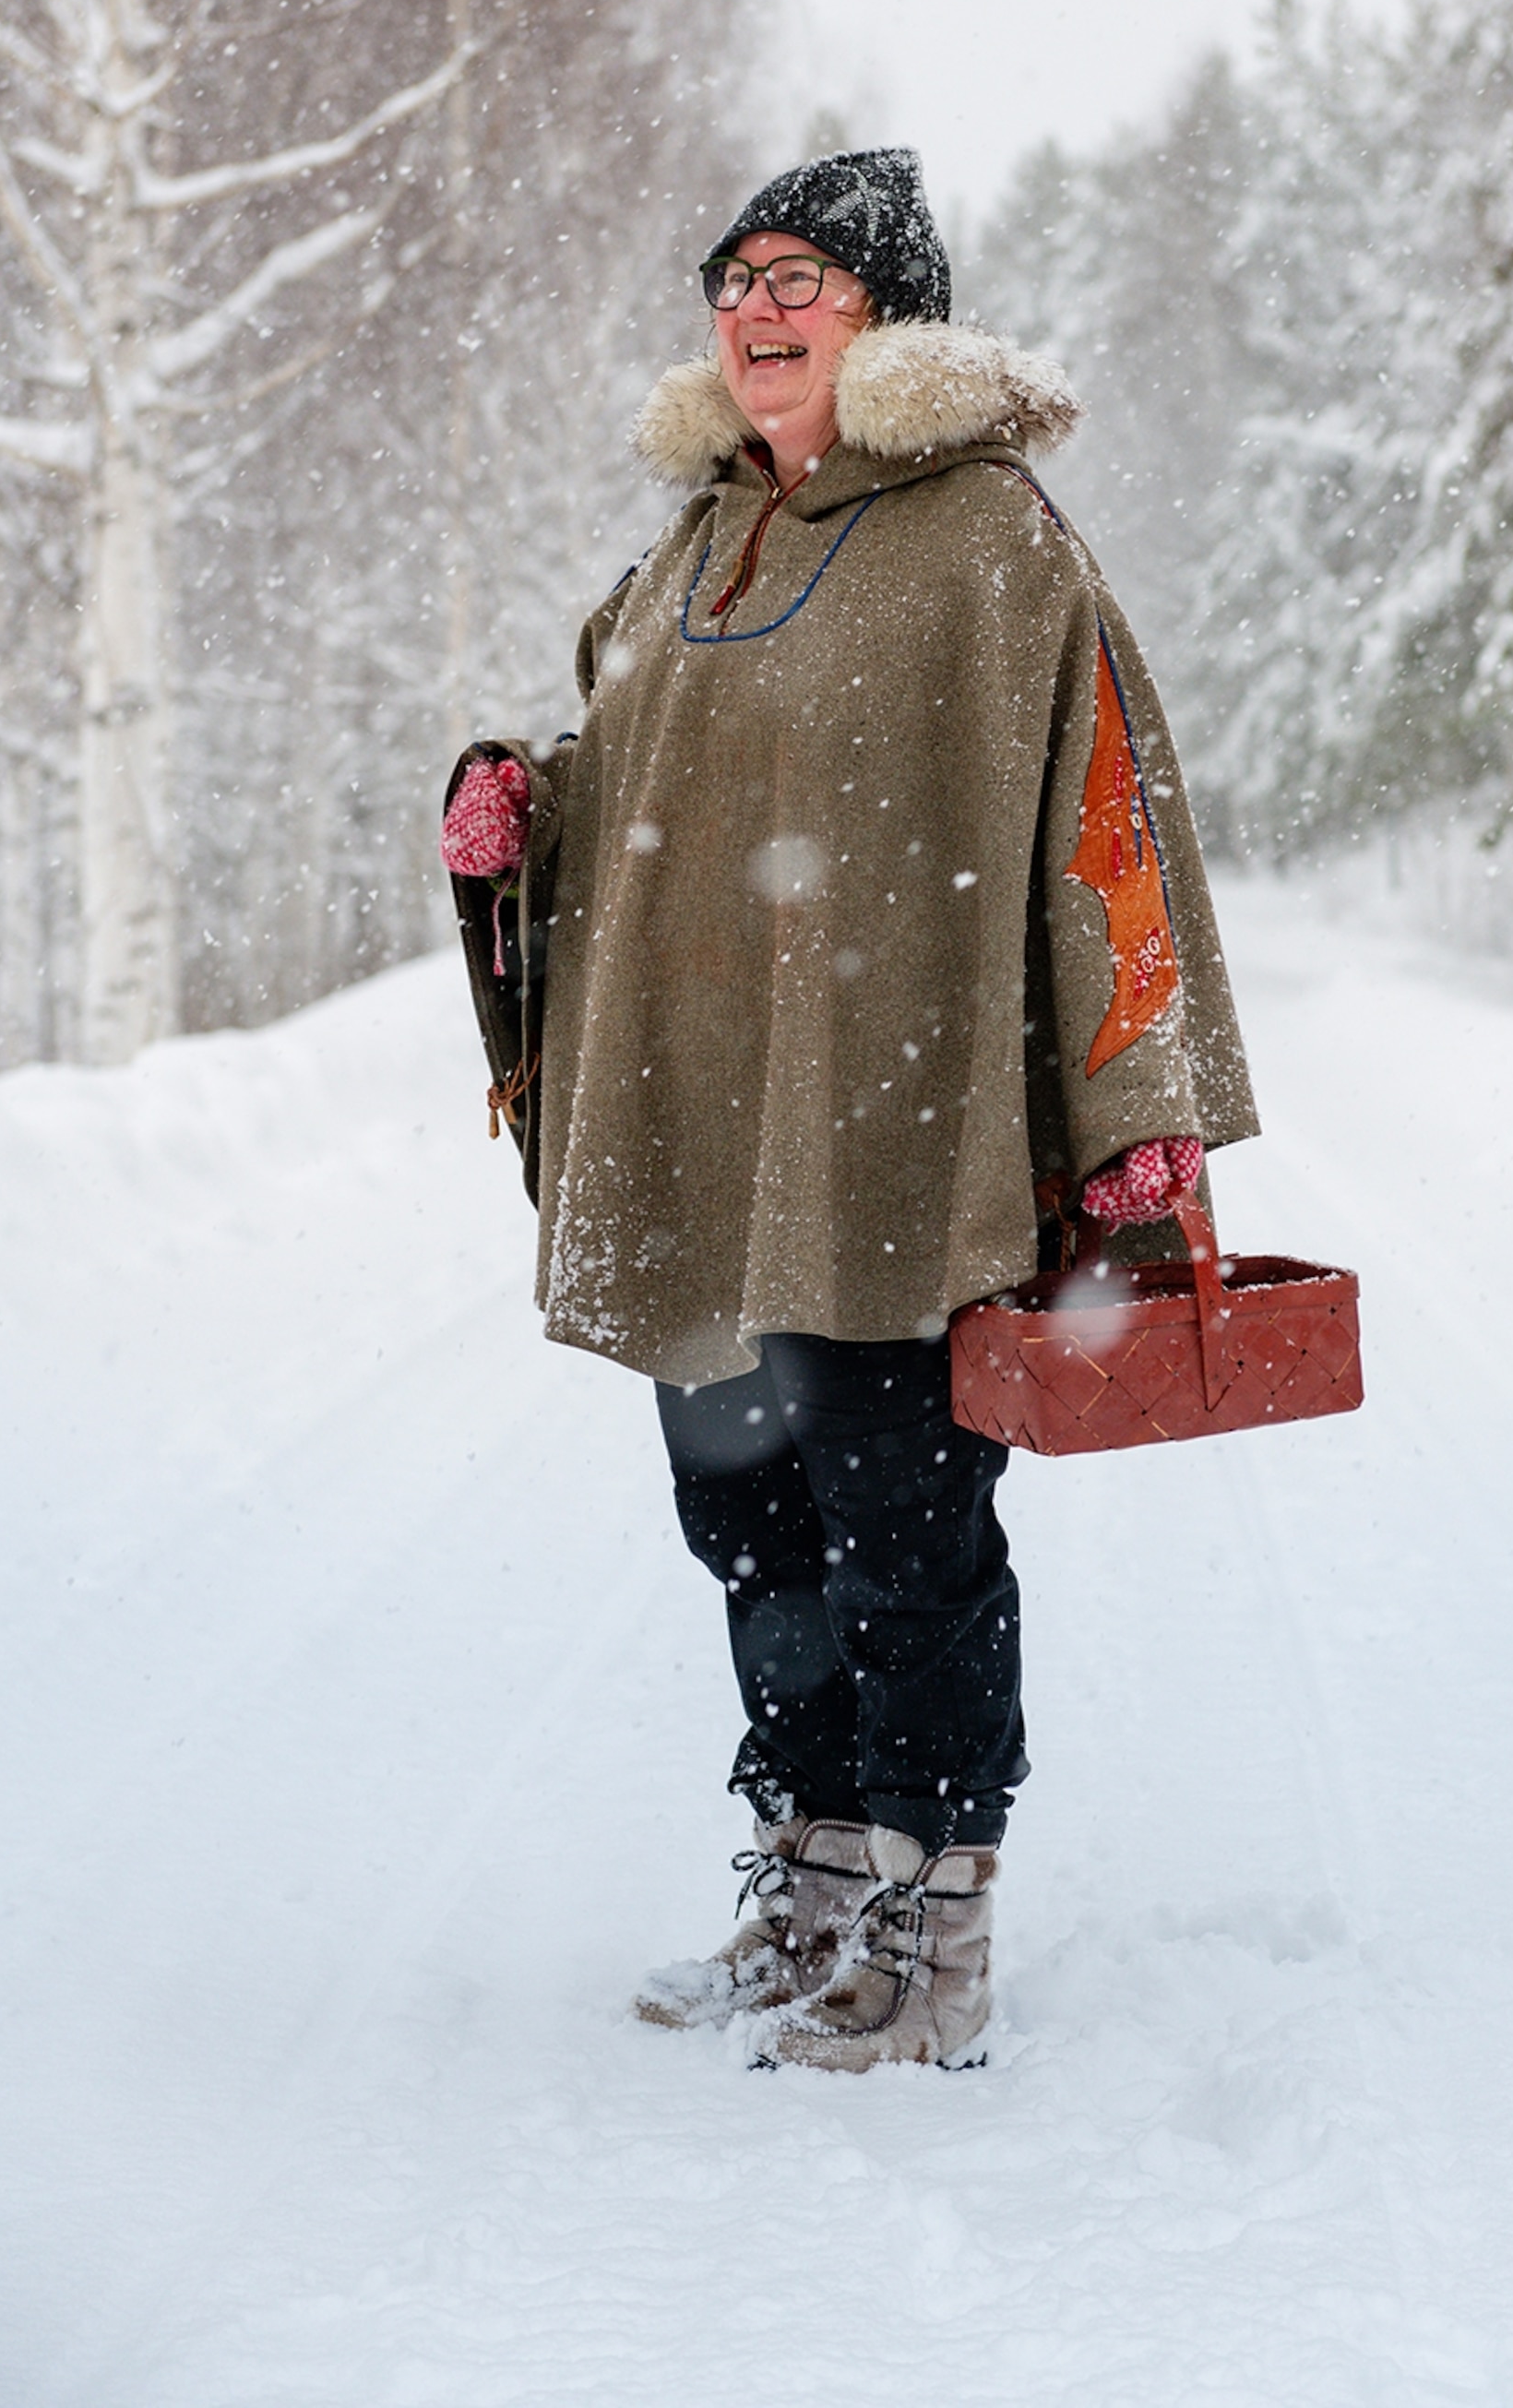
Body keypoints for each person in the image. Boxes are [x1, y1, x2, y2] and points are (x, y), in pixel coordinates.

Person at [442, 149, 1257, 2070]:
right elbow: (649, 782)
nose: (753, 308)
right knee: (748, 1524)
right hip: (701, 1129)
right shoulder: (692, 539)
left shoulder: (987, 541)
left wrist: (1134, 1094)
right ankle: (805, 1882)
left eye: (797, 275)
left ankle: (934, 1921)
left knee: (906, 1531)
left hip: (889, 1130)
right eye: (730, 278)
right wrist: (528, 814)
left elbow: (1098, 804)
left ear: (886, 310)